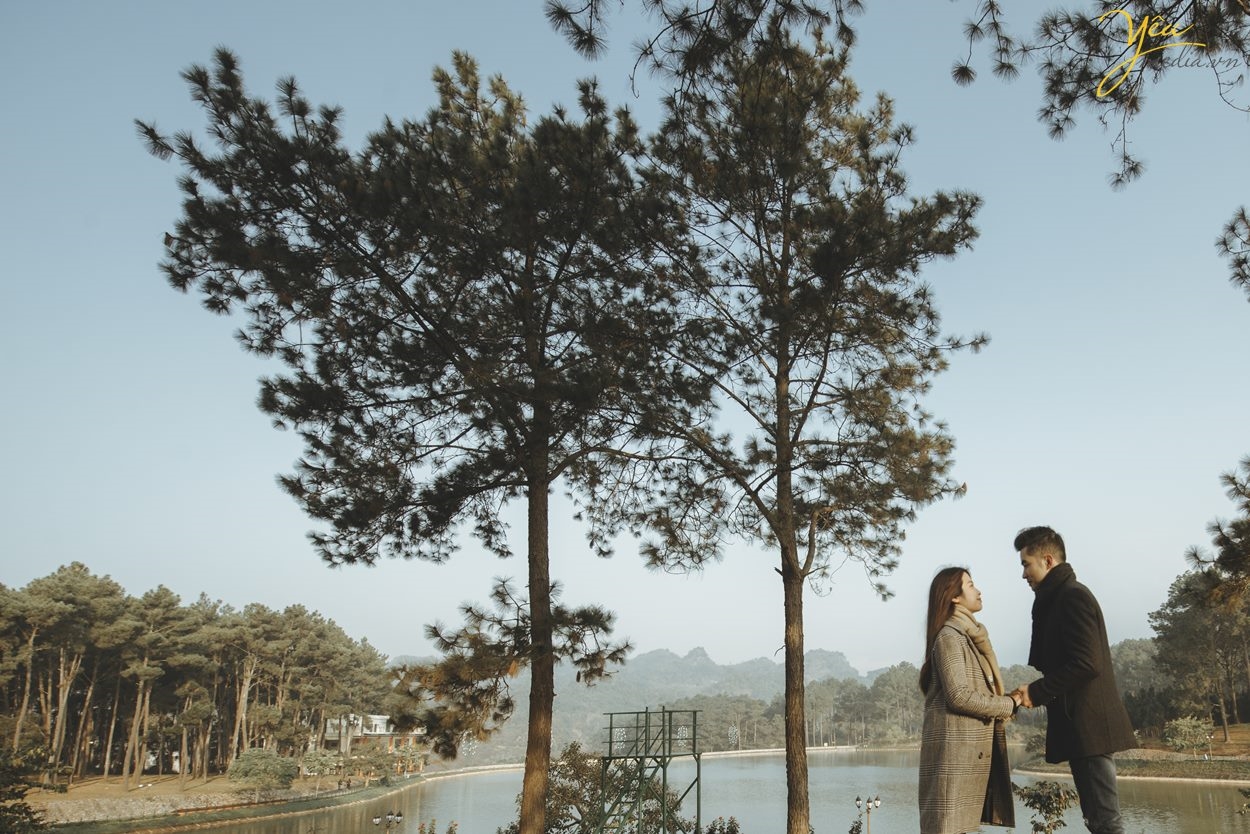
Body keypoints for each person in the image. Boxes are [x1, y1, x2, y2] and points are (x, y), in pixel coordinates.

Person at [1010, 526, 1136, 834]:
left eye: (1027, 564)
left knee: (1105, 822)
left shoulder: (1071, 597)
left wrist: (1037, 691)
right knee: (1098, 820)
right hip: (1081, 726)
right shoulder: (1059, 598)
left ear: (1048, 560)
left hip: (1089, 726)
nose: (1023, 574)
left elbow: (1087, 663)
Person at [919, 566, 1019, 834]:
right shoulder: (949, 637)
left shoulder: (968, 637)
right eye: (971, 585)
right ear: (954, 596)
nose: (979, 591)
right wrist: (1009, 704)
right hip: (954, 761)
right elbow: (958, 696)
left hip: (966, 759)